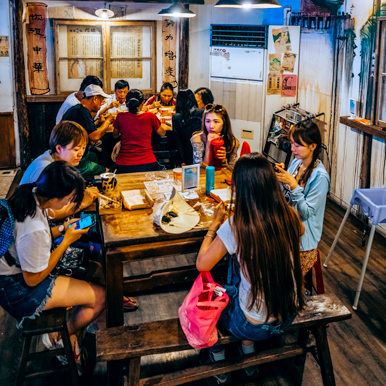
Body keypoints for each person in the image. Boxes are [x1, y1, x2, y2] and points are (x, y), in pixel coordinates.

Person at [196, 153, 305, 384]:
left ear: (240, 188)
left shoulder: (237, 224)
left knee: (206, 302)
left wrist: (214, 226)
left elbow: (202, 264)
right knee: (240, 280)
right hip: (286, 316)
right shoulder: (290, 216)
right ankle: (248, 351)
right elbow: (301, 232)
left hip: (252, 324)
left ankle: (220, 361)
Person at [0, 161, 105, 356]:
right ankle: (56, 337)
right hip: (16, 290)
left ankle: (71, 332)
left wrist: (64, 228)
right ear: (56, 196)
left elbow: (38, 239)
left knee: (96, 270)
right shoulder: (33, 228)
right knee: (100, 297)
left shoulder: (30, 194)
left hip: (13, 274)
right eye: (70, 198)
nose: (69, 203)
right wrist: (66, 241)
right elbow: (32, 279)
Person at [275, 120, 330, 276]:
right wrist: (281, 178)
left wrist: (293, 185)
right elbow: (285, 197)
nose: (292, 149)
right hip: (287, 228)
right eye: (292, 144)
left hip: (302, 243)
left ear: (312, 146)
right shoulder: (296, 163)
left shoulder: (320, 177)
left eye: (297, 145)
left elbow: (305, 213)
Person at [20, 121, 98, 220]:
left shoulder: (53, 158)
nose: (81, 154)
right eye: (76, 149)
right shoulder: (46, 169)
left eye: (83, 148)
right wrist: (82, 203)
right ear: (59, 148)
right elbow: (50, 214)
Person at [62, 84, 114, 181]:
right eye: (101, 100)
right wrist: (108, 121)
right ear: (94, 99)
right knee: (108, 172)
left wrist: (98, 122)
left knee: (96, 156)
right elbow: (95, 136)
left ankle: (89, 184)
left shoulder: (78, 109)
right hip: (71, 160)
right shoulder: (82, 111)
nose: (102, 103)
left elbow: (88, 127)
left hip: (76, 153)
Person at [112, 89, 166, 174]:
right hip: (148, 163)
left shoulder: (120, 116)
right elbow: (162, 133)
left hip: (124, 165)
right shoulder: (150, 116)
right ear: (142, 103)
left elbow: (115, 135)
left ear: (126, 103)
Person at [191, 104, 239, 171]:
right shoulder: (197, 139)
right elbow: (199, 169)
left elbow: (233, 171)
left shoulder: (232, 142)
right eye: (208, 121)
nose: (211, 126)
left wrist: (224, 160)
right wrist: (208, 144)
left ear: (224, 123)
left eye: (216, 121)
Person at [172, 89, 204, 166]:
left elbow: (178, 142)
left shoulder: (176, 118)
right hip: (202, 153)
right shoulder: (202, 112)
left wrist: (182, 160)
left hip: (187, 156)